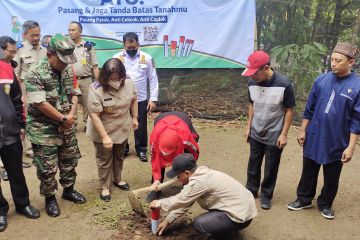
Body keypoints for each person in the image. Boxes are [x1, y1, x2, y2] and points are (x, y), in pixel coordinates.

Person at [287, 42, 360, 220]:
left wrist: (351, 146)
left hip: (337, 140)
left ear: (350, 63)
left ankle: (325, 204)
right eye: (332, 59)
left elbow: (357, 120)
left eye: (338, 61)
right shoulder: (321, 79)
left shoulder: (357, 86)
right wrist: (303, 130)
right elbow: (310, 108)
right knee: (308, 170)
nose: (333, 64)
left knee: (332, 176)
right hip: (314, 134)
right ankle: (304, 199)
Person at [24, 33, 86, 218]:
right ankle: (50, 198)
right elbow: (40, 103)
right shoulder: (34, 72)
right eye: (61, 60)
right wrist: (63, 119)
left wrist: (71, 116)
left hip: (66, 123)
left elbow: (75, 93)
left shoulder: (67, 69)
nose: (65, 64)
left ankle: (68, 190)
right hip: (43, 128)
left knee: (69, 160)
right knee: (47, 167)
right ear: (50, 54)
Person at [149, 153, 257, 239]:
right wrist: (167, 220)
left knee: (200, 223)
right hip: (242, 208)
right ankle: (226, 228)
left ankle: (225, 233)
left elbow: (180, 200)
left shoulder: (199, 182)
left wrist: (159, 203)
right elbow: (186, 202)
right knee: (205, 219)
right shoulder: (200, 173)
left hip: (241, 215)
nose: (177, 179)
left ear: (187, 173)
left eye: (178, 176)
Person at [242, 50, 295, 210]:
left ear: (266, 68)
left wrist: (284, 134)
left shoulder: (284, 84)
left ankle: (266, 195)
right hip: (256, 131)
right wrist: (248, 126)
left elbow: (289, 110)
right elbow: (251, 104)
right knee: (253, 163)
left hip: (275, 134)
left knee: (271, 167)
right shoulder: (252, 83)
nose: (252, 77)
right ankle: (251, 190)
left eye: (255, 73)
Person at [0, 48, 40, 232]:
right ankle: (1, 210)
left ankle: (23, 204)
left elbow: (17, 99)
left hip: (9, 132)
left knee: (16, 171)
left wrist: (21, 125)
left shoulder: (6, 69)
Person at [87, 58, 138, 201]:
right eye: (112, 78)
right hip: (103, 128)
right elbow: (94, 115)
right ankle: (104, 186)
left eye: (118, 78)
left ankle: (117, 178)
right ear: (105, 77)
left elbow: (134, 100)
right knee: (105, 159)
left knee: (119, 155)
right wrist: (104, 137)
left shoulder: (128, 82)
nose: (116, 81)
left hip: (122, 127)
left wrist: (134, 117)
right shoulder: (96, 88)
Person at [113, 32, 159, 162]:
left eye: (134, 47)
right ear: (124, 45)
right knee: (122, 123)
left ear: (138, 44)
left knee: (141, 125)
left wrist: (153, 99)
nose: (131, 50)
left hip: (140, 99)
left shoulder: (147, 58)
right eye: (129, 48)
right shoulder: (116, 58)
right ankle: (124, 148)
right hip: (121, 98)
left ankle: (141, 149)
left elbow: (153, 79)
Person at [146, 111, 200, 202]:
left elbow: (195, 152)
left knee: (186, 159)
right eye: (163, 152)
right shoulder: (154, 139)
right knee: (158, 160)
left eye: (168, 153)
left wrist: (188, 169)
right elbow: (154, 158)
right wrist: (156, 178)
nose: (166, 155)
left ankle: (187, 185)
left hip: (182, 119)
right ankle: (156, 187)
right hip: (161, 119)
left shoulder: (185, 138)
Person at [14, 20, 46, 163]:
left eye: (38, 35)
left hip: (43, 89)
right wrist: (19, 94)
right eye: (33, 35)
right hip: (25, 89)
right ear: (25, 34)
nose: (36, 38)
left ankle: (41, 144)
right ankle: (29, 149)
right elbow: (15, 73)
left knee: (42, 116)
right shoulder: (19, 50)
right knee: (27, 118)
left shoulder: (44, 50)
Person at [68, 21, 100, 131]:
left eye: (73, 30)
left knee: (88, 104)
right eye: (69, 30)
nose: (70, 32)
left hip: (86, 80)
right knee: (71, 104)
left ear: (80, 31)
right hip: (71, 80)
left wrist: (98, 82)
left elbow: (95, 66)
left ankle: (87, 124)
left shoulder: (88, 46)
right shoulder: (66, 46)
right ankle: (73, 124)